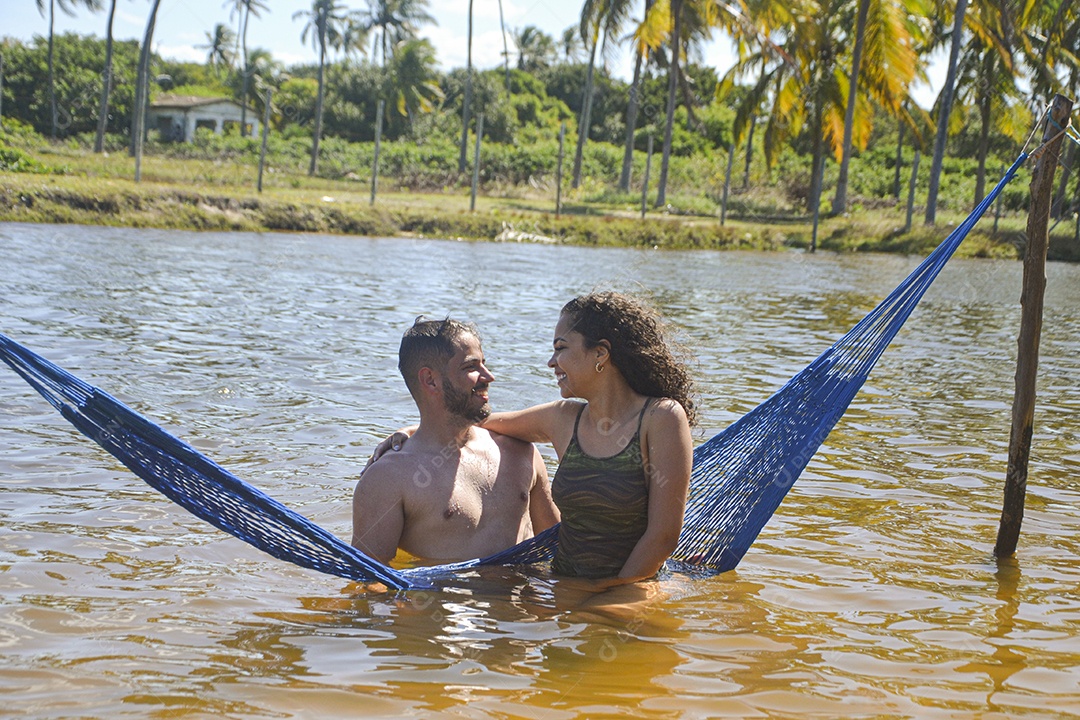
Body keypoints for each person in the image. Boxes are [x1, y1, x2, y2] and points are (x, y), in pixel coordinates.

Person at [373, 292, 695, 589]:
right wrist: (411, 431)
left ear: (600, 353)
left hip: (628, 591)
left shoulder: (661, 417)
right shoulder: (562, 418)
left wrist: (607, 597)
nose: (551, 362)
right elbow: (474, 418)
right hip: (565, 586)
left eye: (561, 348)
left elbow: (663, 536)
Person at [351, 317, 559, 565]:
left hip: (521, 599)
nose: (488, 376)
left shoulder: (519, 452)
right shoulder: (388, 478)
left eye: (484, 364)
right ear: (430, 380)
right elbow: (369, 583)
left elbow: (558, 548)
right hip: (445, 600)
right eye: (471, 367)